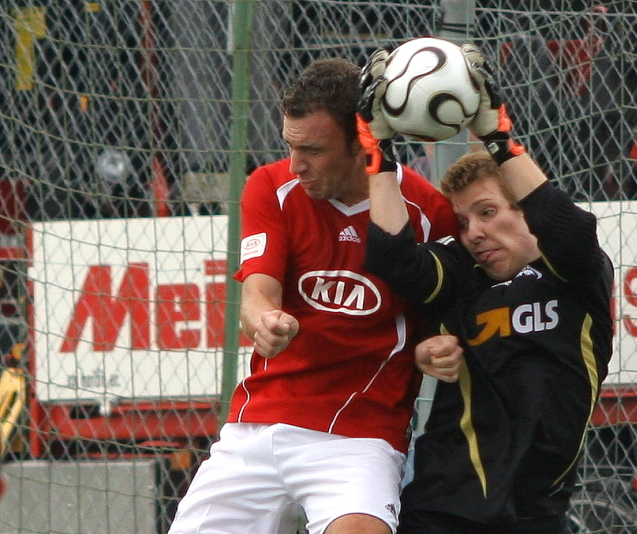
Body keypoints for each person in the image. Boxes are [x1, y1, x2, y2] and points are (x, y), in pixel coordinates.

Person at [168, 57, 458, 534]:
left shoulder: (429, 212)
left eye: (313, 150)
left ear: (361, 144)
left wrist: (434, 346)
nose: (296, 164)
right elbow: (257, 293)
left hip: (359, 435)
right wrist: (265, 321)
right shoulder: (269, 186)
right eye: (290, 146)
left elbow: (442, 321)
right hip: (257, 425)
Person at [359, 44, 614, 534]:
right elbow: (392, 258)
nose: (474, 232)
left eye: (488, 212)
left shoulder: (575, 274)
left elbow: (571, 228)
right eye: (463, 221)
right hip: (446, 505)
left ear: (525, 209)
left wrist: (498, 137)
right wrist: (378, 150)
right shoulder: (462, 274)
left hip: (538, 510)